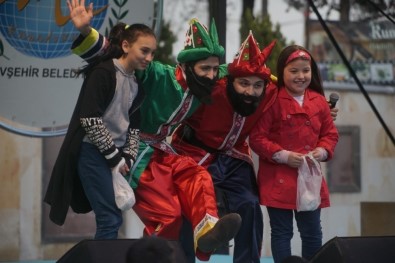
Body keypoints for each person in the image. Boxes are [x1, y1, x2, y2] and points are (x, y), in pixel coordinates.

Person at [48, 0, 242, 261]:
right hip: (130, 152)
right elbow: (111, 56)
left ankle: (207, 232)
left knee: (196, 173)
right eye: (204, 68)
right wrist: (86, 31)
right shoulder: (156, 75)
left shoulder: (203, 82)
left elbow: (231, 70)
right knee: (162, 215)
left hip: (156, 149)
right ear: (187, 66)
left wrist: (265, 74)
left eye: (213, 69)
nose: (210, 75)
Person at [44, 21, 156, 239]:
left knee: (112, 216)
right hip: (90, 152)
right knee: (110, 217)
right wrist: (115, 158)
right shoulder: (104, 72)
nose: (149, 58)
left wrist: (129, 158)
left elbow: (134, 128)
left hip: (113, 157)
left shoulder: (137, 85)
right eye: (144, 50)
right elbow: (90, 119)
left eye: (152, 53)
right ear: (125, 46)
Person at [171, 32, 277, 263]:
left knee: (250, 205)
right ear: (230, 80)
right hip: (193, 154)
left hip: (234, 157)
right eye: (244, 84)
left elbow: (299, 97)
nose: (251, 92)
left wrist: (324, 109)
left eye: (257, 85)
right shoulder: (210, 87)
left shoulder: (271, 93)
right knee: (186, 206)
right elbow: (172, 85)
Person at [249, 45, 339, 263]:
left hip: (309, 179)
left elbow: (330, 134)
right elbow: (257, 138)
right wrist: (282, 155)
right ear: (281, 72)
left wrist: (323, 150)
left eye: (306, 71)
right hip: (277, 178)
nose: (301, 76)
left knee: (312, 233)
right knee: (281, 233)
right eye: (294, 71)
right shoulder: (271, 101)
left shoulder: (319, 101)